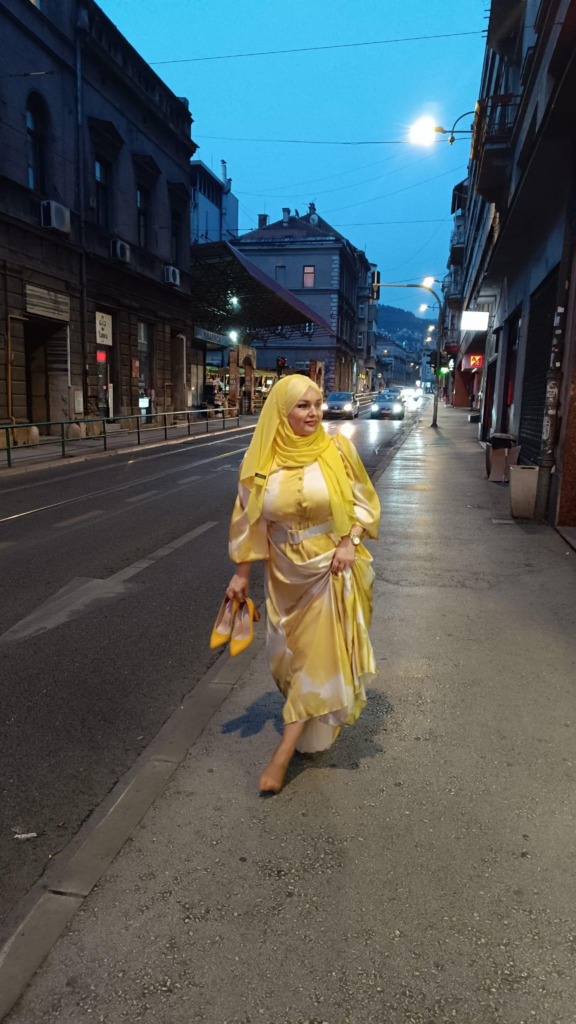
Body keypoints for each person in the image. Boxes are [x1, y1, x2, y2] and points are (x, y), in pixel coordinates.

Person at [225, 374, 381, 794]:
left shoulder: (338, 449)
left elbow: (365, 503)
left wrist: (349, 541)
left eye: (317, 403)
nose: (314, 412)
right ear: (281, 410)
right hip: (283, 574)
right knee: (286, 660)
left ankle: (282, 755)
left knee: (316, 655)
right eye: (303, 405)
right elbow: (248, 521)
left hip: (329, 566)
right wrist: (241, 574)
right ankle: (309, 716)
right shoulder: (260, 460)